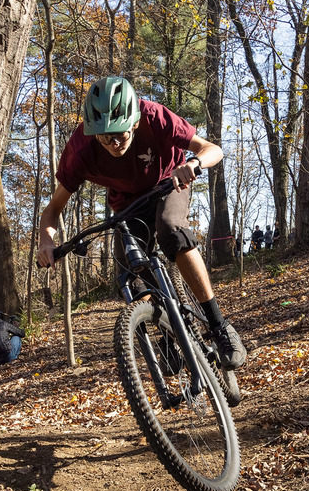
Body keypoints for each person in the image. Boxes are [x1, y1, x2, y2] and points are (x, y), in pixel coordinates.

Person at [38, 76, 246, 370]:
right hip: (127, 205)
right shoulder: (80, 149)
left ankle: (219, 326)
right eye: (104, 136)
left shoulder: (154, 117)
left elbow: (212, 149)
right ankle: (166, 331)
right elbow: (54, 208)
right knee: (129, 270)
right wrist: (46, 240)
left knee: (170, 228)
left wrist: (193, 164)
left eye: (120, 135)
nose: (112, 143)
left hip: (167, 184)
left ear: (134, 123)